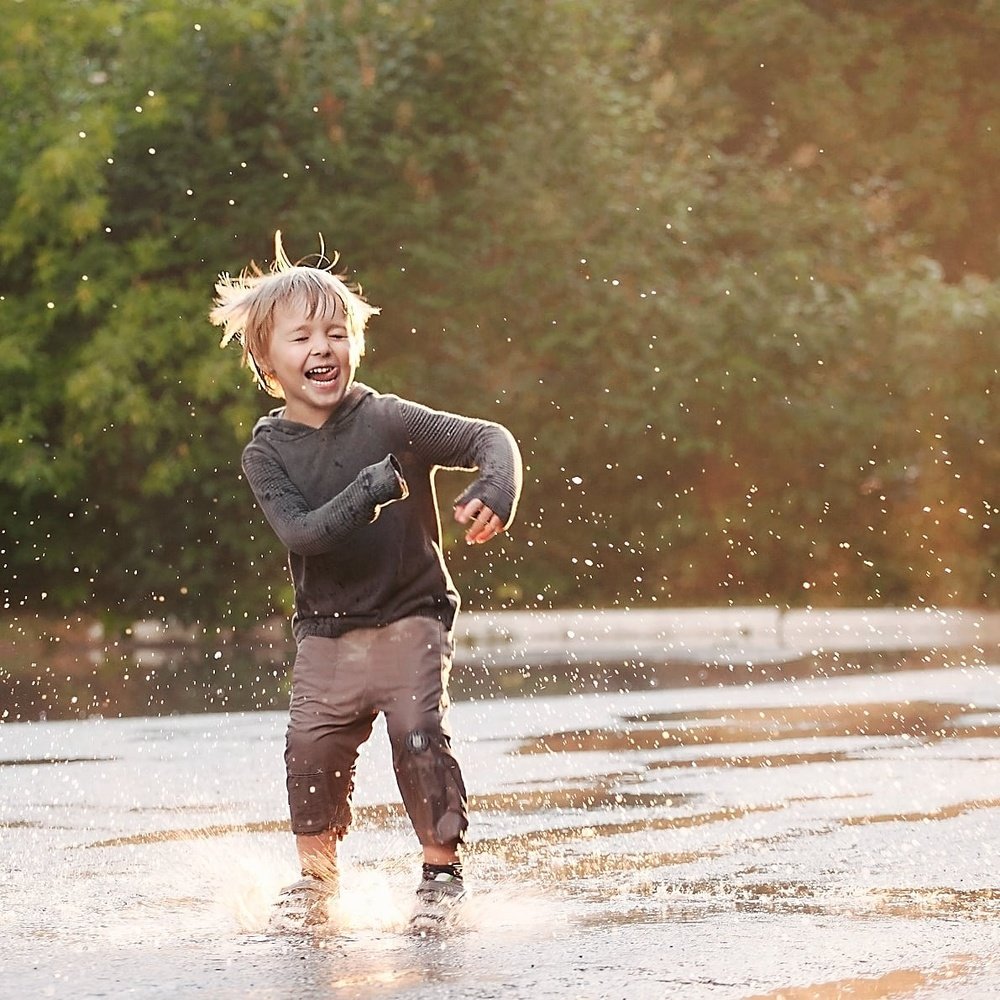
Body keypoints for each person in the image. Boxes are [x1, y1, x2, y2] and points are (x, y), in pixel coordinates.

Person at [209, 233, 521, 931]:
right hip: (326, 628)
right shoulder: (266, 453)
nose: (322, 349)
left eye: (336, 333)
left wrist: (497, 485)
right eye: (301, 338)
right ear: (266, 360)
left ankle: (440, 874)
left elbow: (489, 438)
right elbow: (303, 534)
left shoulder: (387, 417)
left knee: (417, 731)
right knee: (311, 747)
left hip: (412, 610)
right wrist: (373, 487)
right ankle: (318, 883)